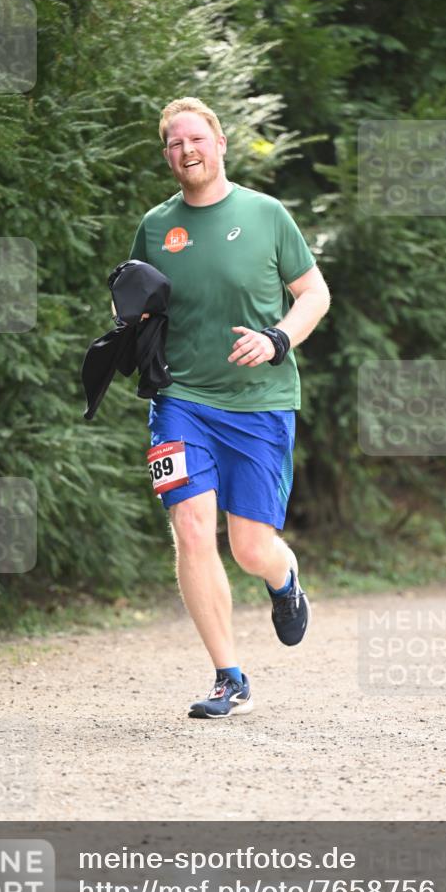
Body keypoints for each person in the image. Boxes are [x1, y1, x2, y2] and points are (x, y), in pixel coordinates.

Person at [129, 97, 331, 719]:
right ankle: (229, 676)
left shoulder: (266, 215)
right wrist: (128, 339)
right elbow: (139, 308)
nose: (185, 150)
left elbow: (314, 294)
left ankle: (283, 578)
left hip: (260, 404)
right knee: (191, 529)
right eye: (173, 143)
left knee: (249, 547)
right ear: (167, 155)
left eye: (195, 138)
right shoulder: (155, 228)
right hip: (181, 402)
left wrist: (277, 340)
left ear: (219, 143)